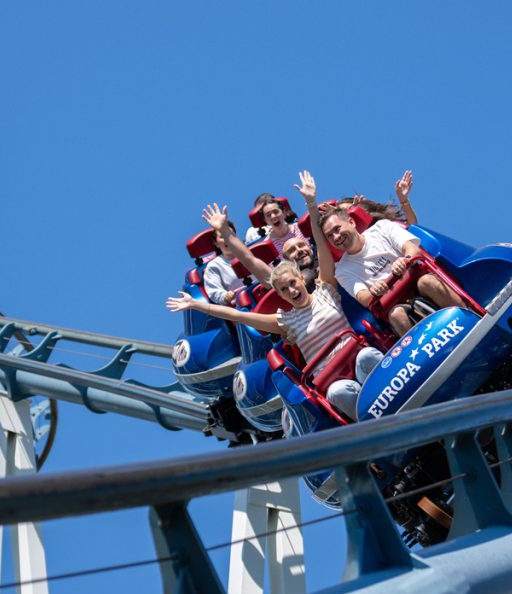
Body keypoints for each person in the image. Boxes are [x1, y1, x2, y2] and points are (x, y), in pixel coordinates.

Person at [169, 172, 382, 421]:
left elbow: (321, 243)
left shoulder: (326, 289)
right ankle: (374, 424)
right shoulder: (284, 320)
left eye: (293, 284)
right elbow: (238, 308)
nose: (292, 291)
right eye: (284, 290)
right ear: (278, 294)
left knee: (368, 356)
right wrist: (198, 305)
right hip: (332, 378)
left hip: (357, 357)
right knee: (337, 392)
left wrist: (311, 204)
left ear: (302, 280)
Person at [315, 175, 465, 336]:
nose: (336, 237)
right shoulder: (343, 270)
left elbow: (412, 249)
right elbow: (363, 296)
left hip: (416, 280)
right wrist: (373, 291)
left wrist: (405, 260)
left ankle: (467, 316)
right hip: (396, 303)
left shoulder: (382, 228)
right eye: (330, 236)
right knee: (396, 315)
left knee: (427, 282)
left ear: (351, 222)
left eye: (337, 229)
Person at [203, 203, 319, 293]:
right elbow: (250, 260)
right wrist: (224, 231)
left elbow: (320, 232)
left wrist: (311, 202)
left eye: (301, 245)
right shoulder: (285, 286)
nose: (299, 251)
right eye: (291, 250)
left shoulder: (324, 263)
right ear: (286, 259)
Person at [201, 223, 242, 305]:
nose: (227, 238)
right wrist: (226, 296)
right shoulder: (214, 266)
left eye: (230, 234)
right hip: (243, 305)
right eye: (222, 237)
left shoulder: (250, 252)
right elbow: (214, 292)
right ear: (216, 243)